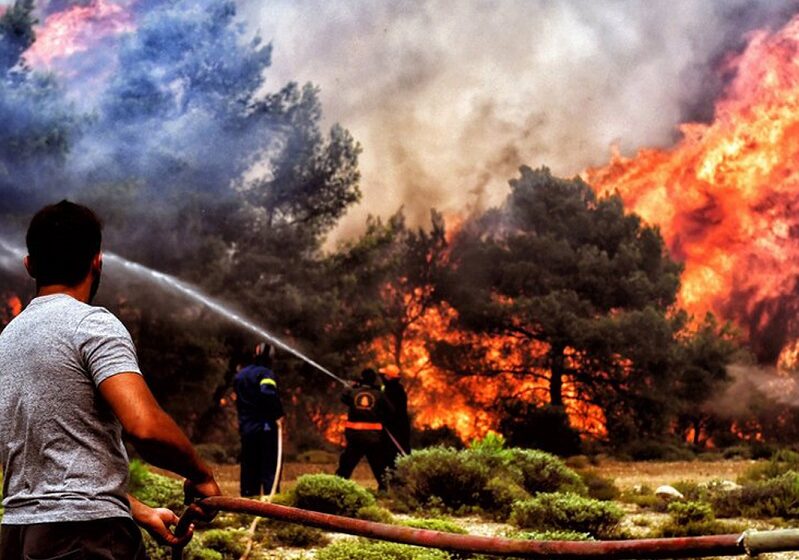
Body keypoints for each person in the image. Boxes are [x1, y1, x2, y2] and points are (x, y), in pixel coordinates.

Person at [0, 201, 222, 559]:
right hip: (88, 538)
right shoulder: (92, 325)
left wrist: (140, 511)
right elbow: (145, 428)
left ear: (30, 265)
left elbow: (52, 472)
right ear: (97, 261)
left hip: (18, 537)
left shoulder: (6, 342)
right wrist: (201, 475)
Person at [233, 342, 285, 497]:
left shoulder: (241, 375)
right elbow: (267, 393)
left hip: (247, 429)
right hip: (265, 428)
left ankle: (248, 501)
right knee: (269, 467)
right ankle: (272, 504)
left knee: (249, 467)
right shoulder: (266, 374)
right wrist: (278, 414)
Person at [335, 368, 393, 491]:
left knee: (346, 465)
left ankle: (337, 487)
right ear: (374, 380)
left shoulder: (353, 393)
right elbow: (390, 411)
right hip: (373, 438)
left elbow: (344, 398)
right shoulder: (379, 395)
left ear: (361, 379)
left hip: (355, 438)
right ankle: (383, 490)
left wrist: (349, 387)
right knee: (379, 465)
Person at [380, 365, 411, 472]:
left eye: (384, 375)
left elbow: (388, 408)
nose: (382, 377)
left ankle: (396, 480)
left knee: (394, 455)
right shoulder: (396, 388)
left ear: (388, 377)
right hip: (400, 426)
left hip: (394, 428)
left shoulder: (392, 390)